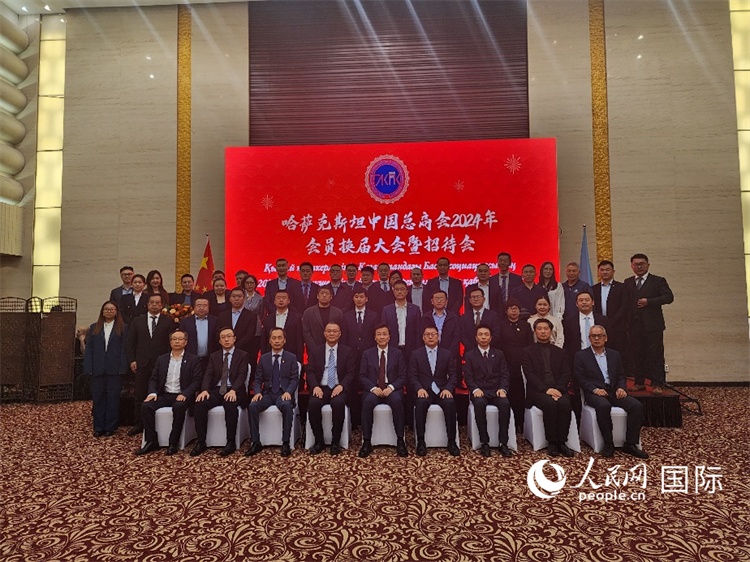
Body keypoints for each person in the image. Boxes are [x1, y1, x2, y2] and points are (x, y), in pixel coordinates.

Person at [574, 325, 649, 459]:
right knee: (604, 406)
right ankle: (608, 443)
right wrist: (595, 389)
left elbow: (621, 375)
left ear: (606, 338)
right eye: (593, 336)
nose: (597, 338)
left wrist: (621, 387)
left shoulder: (614, 354)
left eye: (600, 336)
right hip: (594, 393)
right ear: (589, 338)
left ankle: (630, 443)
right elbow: (580, 378)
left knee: (636, 406)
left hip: (614, 391)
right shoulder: (581, 356)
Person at [135, 329, 202, 455]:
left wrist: (185, 394)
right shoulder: (162, 359)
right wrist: (152, 393)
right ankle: (151, 440)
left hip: (182, 396)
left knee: (179, 407)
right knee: (146, 406)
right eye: (174, 339)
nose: (177, 342)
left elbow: (197, 381)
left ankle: (173, 443)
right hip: (165, 395)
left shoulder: (193, 359)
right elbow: (154, 379)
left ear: (186, 342)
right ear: (170, 342)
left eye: (180, 339)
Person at [190, 327, 250, 457]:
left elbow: (242, 375)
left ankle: (230, 442)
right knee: (200, 403)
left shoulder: (243, 355)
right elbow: (208, 374)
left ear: (234, 338)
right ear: (219, 341)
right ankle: (201, 441)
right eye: (223, 337)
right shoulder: (214, 356)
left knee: (230, 403)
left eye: (229, 336)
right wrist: (204, 390)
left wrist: (233, 390)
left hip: (234, 389)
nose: (226, 339)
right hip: (217, 390)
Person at [522, 319, 575, 458]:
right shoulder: (527, 352)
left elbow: (566, 373)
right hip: (538, 391)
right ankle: (552, 442)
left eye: (546, 329)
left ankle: (562, 442)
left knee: (565, 404)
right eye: (539, 329)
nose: (543, 331)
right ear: (535, 332)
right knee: (550, 404)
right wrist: (546, 390)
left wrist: (558, 389)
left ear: (551, 331)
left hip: (558, 390)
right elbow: (530, 375)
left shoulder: (560, 352)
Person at [125, 293, 177, 435]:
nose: (154, 305)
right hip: (141, 363)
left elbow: (170, 344)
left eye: (157, 303)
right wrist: (132, 360)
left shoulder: (168, 322)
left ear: (162, 305)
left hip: (161, 364)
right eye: (152, 302)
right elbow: (130, 342)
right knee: (140, 394)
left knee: (159, 393)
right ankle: (139, 424)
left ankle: (156, 424)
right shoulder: (137, 321)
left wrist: (169, 362)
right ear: (147, 304)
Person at [624, 253, 674, 394]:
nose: (639, 266)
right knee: (636, 354)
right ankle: (639, 382)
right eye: (636, 264)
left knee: (655, 355)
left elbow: (669, 297)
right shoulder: (628, 282)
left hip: (653, 326)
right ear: (631, 266)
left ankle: (658, 384)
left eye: (642, 264)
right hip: (634, 326)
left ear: (648, 265)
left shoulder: (658, 281)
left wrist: (649, 302)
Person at [246, 327, 300, 457]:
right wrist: (257, 392)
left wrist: (289, 392)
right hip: (268, 394)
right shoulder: (263, 358)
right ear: (269, 341)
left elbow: (294, 379)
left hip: (283, 393)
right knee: (252, 406)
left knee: (286, 405)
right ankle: (255, 442)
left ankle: (285, 442)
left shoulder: (291, 357)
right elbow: (257, 379)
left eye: (279, 338)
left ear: (284, 340)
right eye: (274, 338)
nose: (277, 341)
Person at [306, 323, 356, 455]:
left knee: (338, 403)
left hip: (338, 387)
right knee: (313, 404)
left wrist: (342, 385)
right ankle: (319, 441)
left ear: (340, 334)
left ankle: (335, 442)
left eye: (334, 331)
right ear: (324, 334)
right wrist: (315, 386)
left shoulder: (347, 351)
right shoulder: (316, 351)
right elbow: (310, 371)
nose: (332, 333)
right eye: (329, 331)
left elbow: (351, 372)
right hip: (321, 387)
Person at [358, 324, 408, 458]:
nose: (382, 337)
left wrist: (391, 388)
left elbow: (403, 376)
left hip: (391, 388)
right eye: (379, 334)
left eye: (384, 334)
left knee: (397, 401)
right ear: (375, 337)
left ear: (389, 337)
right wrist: (373, 388)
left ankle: (400, 440)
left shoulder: (398, 353)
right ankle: (366, 441)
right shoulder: (367, 354)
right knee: (367, 402)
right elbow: (362, 376)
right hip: (374, 388)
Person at [409, 325, 460, 457]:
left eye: (433, 334)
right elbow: (412, 375)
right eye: (427, 334)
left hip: (442, 390)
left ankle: (451, 441)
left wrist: (448, 389)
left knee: (450, 403)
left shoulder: (446, 354)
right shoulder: (416, 354)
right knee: (420, 403)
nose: (430, 337)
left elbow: (453, 375)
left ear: (438, 337)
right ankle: (421, 441)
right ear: (423, 337)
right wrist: (419, 388)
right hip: (424, 390)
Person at [463, 325, 513, 457]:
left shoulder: (499, 354)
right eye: (480, 335)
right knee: (479, 404)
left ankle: (503, 442)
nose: (483, 337)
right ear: (476, 337)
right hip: (479, 391)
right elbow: (468, 376)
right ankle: (484, 442)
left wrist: (503, 389)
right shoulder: (470, 355)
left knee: (505, 404)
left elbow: (504, 374)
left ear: (491, 338)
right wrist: (475, 389)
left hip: (496, 390)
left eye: (486, 334)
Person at [84, 301, 129, 437]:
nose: (109, 311)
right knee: (98, 398)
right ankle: (98, 427)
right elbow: (89, 349)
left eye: (112, 309)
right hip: (97, 368)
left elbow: (124, 349)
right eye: (106, 309)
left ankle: (110, 426)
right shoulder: (94, 327)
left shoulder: (123, 328)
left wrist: (123, 367)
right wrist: (88, 367)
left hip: (115, 369)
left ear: (116, 312)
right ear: (102, 312)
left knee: (113, 398)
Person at [498, 298, 534, 430]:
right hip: (506, 362)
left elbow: (530, 344)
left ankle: (520, 422)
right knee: (509, 391)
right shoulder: (501, 325)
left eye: (516, 308)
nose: (513, 311)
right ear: (506, 311)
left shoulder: (526, 325)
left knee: (520, 393)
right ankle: (509, 422)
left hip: (522, 363)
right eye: (510, 308)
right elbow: (498, 344)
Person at [381, 280, 422, 362]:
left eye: (402, 289)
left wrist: (418, 349)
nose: (399, 292)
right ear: (393, 291)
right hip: (392, 348)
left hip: (411, 349)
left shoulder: (415, 309)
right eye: (397, 289)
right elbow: (384, 331)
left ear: (407, 291)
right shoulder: (386, 310)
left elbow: (418, 331)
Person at [592, 260, 627, 354]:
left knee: (617, 353)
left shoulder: (622, 287)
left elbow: (624, 307)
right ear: (598, 272)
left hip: (617, 327)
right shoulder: (593, 289)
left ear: (613, 271)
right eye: (602, 270)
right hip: (599, 326)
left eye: (607, 270)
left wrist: (612, 320)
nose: (605, 272)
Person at [261, 289, 304, 363]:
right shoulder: (268, 319)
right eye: (278, 298)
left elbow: (299, 340)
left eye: (284, 298)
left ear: (288, 301)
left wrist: (299, 360)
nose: (281, 300)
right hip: (271, 356)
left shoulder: (297, 318)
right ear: (274, 301)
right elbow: (264, 340)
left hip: (291, 356)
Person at [217, 288, 258, 359]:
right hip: (225, 351)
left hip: (244, 351)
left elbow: (249, 335)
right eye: (234, 296)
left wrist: (234, 346)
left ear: (244, 298)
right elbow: (218, 332)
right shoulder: (222, 315)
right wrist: (227, 344)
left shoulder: (251, 315)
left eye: (239, 296)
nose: (236, 299)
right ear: (229, 299)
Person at [302, 286, 344, 353]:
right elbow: (306, 332)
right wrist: (314, 348)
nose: (324, 295)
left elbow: (341, 331)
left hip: (333, 349)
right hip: (313, 350)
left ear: (331, 297)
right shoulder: (308, 312)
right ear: (317, 296)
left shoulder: (338, 312)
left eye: (327, 293)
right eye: (322, 293)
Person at [179, 297, 217, 370]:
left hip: (210, 360)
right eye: (199, 305)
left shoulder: (215, 321)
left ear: (209, 307)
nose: (201, 308)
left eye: (205, 305)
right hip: (191, 360)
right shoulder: (185, 322)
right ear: (194, 307)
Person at [420, 290, 460, 360]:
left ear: (446, 301)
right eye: (436, 298)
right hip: (429, 353)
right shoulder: (426, 317)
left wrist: (449, 354)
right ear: (432, 301)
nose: (439, 301)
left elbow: (456, 337)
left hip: (449, 354)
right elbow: (422, 335)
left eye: (441, 298)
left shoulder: (453, 317)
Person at [460, 288, 502, 353]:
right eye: (473, 297)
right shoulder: (464, 317)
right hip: (469, 352)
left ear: (484, 299)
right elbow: (462, 336)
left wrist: (484, 347)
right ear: (470, 300)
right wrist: (474, 349)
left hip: (489, 352)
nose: (476, 299)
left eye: (478, 297)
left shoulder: (493, 315)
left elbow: (496, 334)